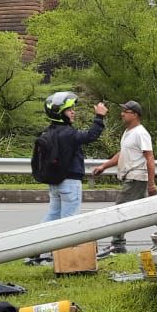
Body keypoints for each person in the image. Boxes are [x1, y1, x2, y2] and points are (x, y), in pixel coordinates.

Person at [25, 91, 106, 265]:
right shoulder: (68, 134)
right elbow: (91, 135)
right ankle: (63, 260)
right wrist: (99, 117)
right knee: (68, 223)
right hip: (70, 183)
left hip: (55, 183)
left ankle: (35, 249)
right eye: (69, 110)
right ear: (60, 113)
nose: (73, 112)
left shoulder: (49, 132)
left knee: (52, 217)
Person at [91, 99, 156, 254]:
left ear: (135, 115)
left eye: (125, 112)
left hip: (136, 178)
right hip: (132, 177)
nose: (122, 114)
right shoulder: (128, 132)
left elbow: (150, 158)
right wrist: (104, 166)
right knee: (151, 211)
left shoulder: (141, 133)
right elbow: (122, 154)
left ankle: (118, 244)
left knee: (119, 209)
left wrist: (151, 183)